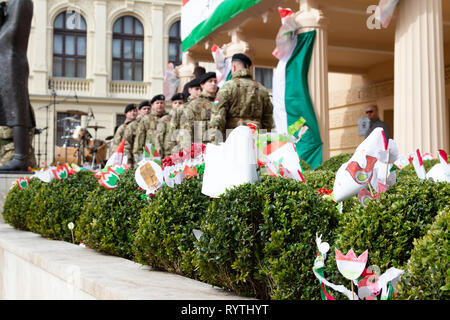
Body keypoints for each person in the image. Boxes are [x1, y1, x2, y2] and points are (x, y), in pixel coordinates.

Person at [208, 53, 274, 143]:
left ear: (233, 67)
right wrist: (266, 142)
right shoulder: (262, 89)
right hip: (256, 140)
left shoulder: (227, 87)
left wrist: (214, 141)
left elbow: (218, 117)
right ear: (249, 68)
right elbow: (268, 120)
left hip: (232, 139)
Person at [0, 0, 34, 170]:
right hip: (5, 63)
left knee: (16, 109)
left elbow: (13, 31)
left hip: (12, 63)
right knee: (9, 110)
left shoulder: (21, 2)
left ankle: (20, 157)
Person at [179, 72, 218, 150]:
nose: (213, 84)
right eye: (210, 81)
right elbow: (186, 131)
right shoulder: (194, 105)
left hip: (219, 148)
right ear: (202, 85)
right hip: (201, 150)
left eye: (215, 81)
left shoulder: (220, 103)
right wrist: (188, 152)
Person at [133, 94, 171, 161]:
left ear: (164, 105)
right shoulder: (146, 119)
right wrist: (138, 159)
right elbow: (139, 141)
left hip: (166, 156)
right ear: (152, 105)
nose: (159, 105)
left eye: (161, 103)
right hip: (150, 155)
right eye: (157, 103)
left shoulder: (169, 119)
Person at [123, 100, 151, 167]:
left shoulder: (154, 123)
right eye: (144, 109)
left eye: (149, 109)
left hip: (151, 158)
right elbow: (127, 144)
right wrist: (128, 161)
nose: (147, 111)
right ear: (139, 111)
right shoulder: (133, 125)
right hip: (136, 160)